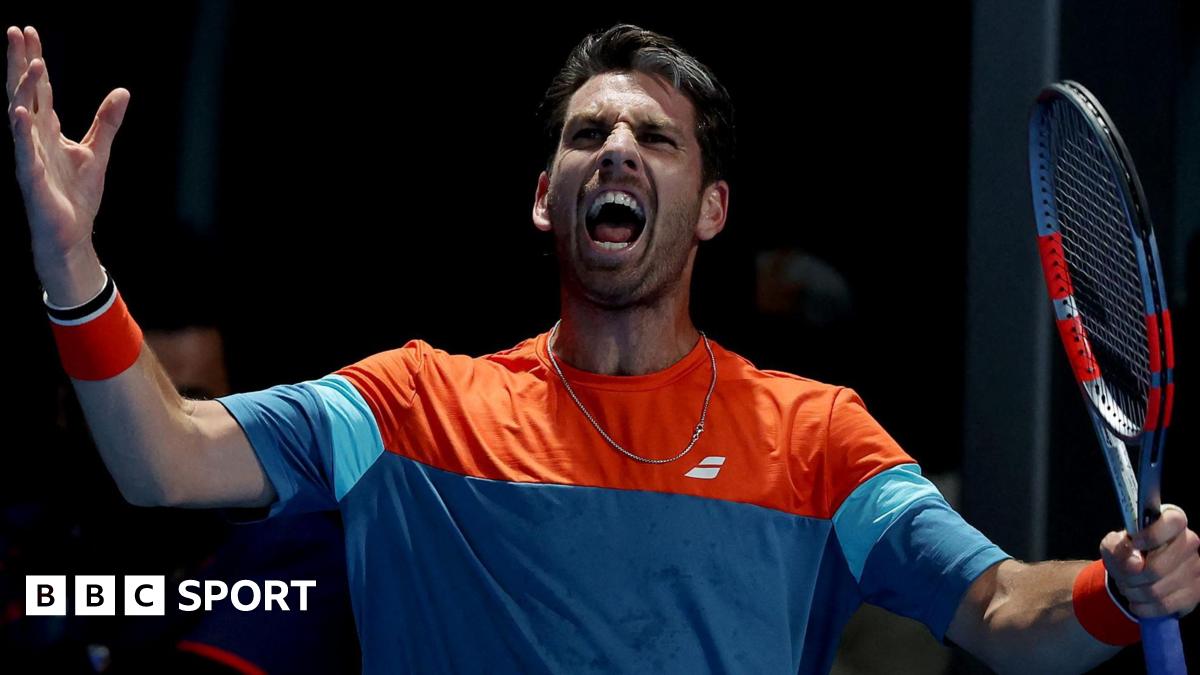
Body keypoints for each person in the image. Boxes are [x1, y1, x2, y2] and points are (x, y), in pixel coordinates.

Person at [8, 22, 1199, 674]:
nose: (618, 147)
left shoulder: (818, 437)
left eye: (656, 138)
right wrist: (73, 270)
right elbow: (161, 459)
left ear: (713, 208)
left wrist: (1114, 592)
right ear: (546, 196)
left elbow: (997, 609)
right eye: (590, 133)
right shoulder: (414, 408)